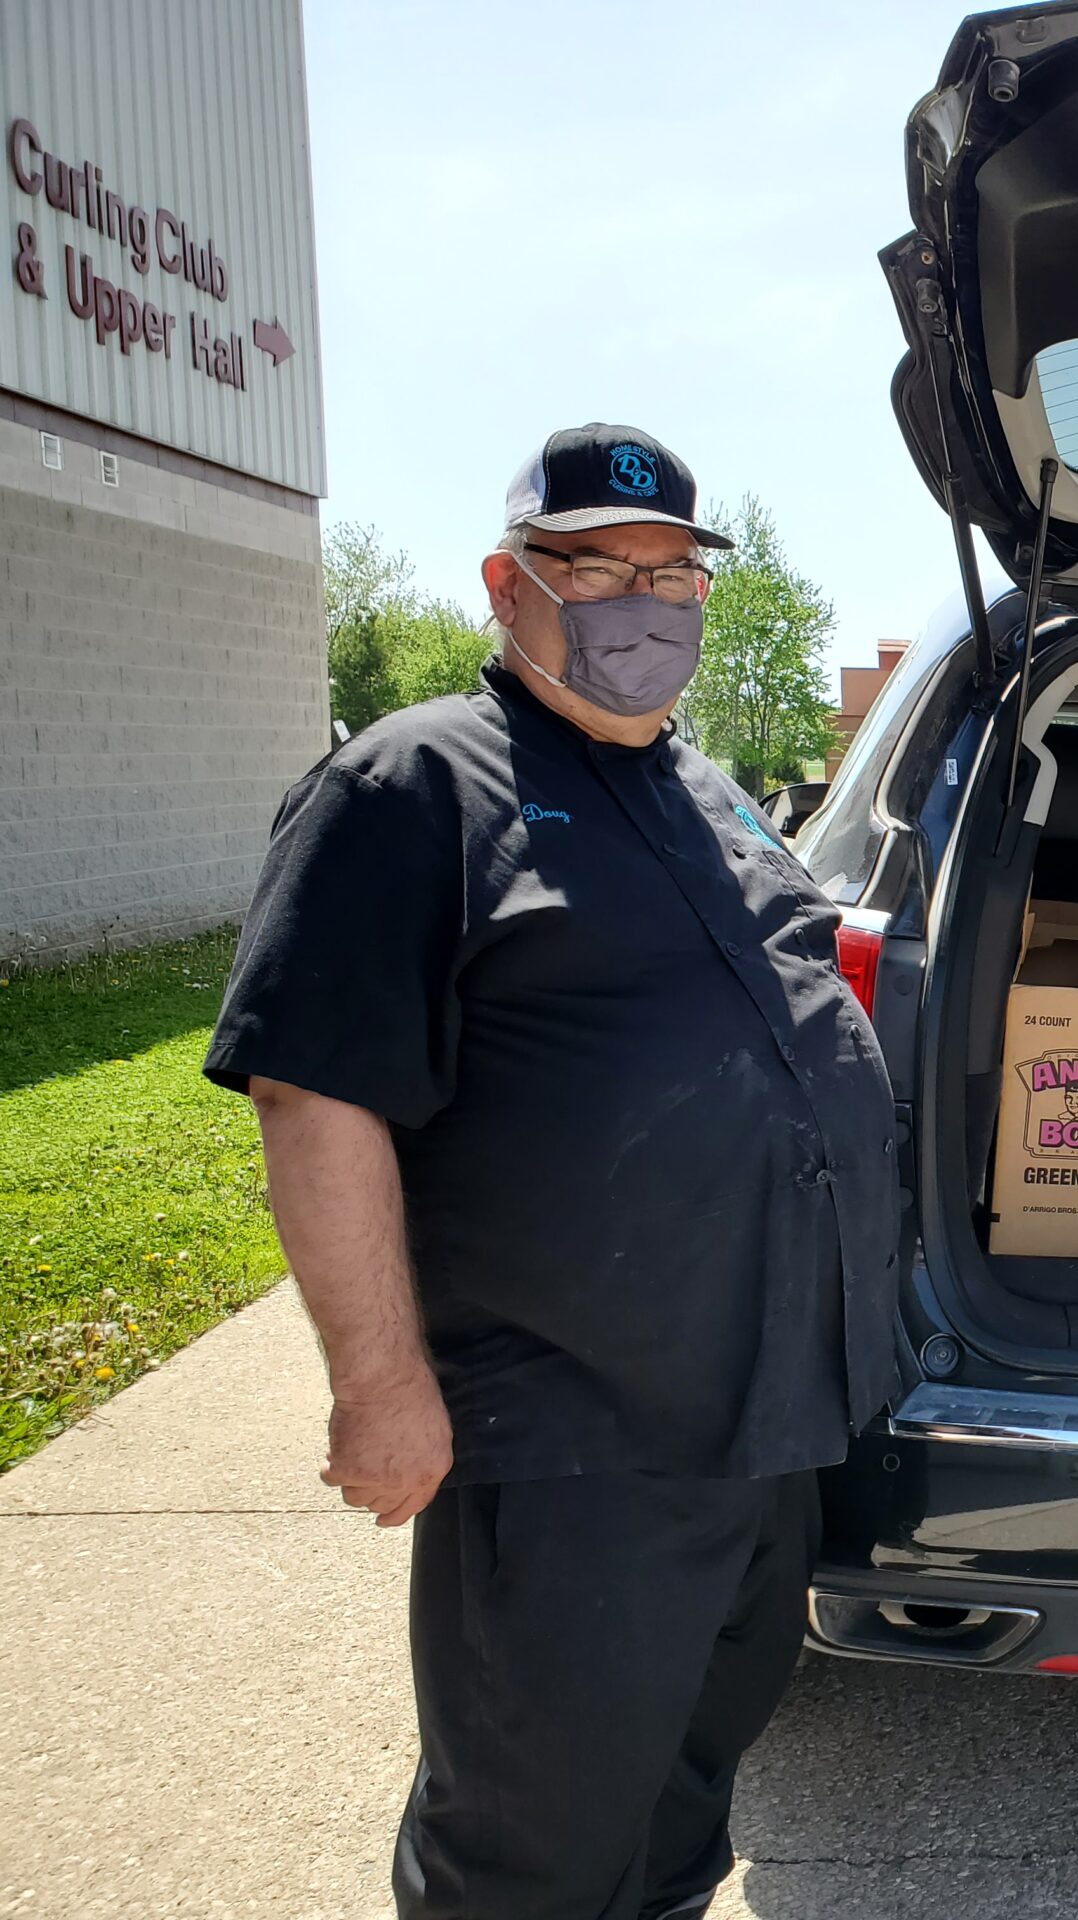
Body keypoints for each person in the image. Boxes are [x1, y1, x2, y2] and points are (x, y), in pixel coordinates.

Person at [205, 424, 903, 1920]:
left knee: (675, 1797)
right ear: (508, 585)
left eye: (671, 572)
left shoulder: (709, 796)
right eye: (594, 565)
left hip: (762, 1421)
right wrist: (379, 1388)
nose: (641, 601)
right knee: (532, 1837)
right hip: (578, 1441)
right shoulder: (412, 787)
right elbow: (314, 1093)